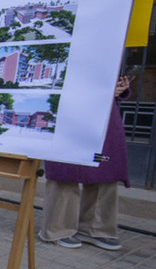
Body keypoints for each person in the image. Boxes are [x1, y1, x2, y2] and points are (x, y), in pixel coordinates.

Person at [40, 75, 131, 250]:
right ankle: (57, 229)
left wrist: (119, 87)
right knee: (66, 172)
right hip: (69, 111)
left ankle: (96, 229)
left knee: (105, 170)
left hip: (103, 115)